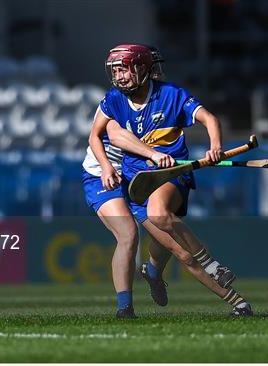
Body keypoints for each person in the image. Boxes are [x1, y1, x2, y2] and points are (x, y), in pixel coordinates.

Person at [83, 44, 251, 318]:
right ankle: (125, 309)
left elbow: (209, 119)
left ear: (142, 69)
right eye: (116, 71)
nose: (120, 76)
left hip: (149, 178)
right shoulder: (113, 101)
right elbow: (111, 137)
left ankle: (236, 302)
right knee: (128, 234)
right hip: (109, 176)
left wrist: (214, 146)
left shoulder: (169, 95)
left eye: (124, 69)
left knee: (178, 247)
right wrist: (130, 160)